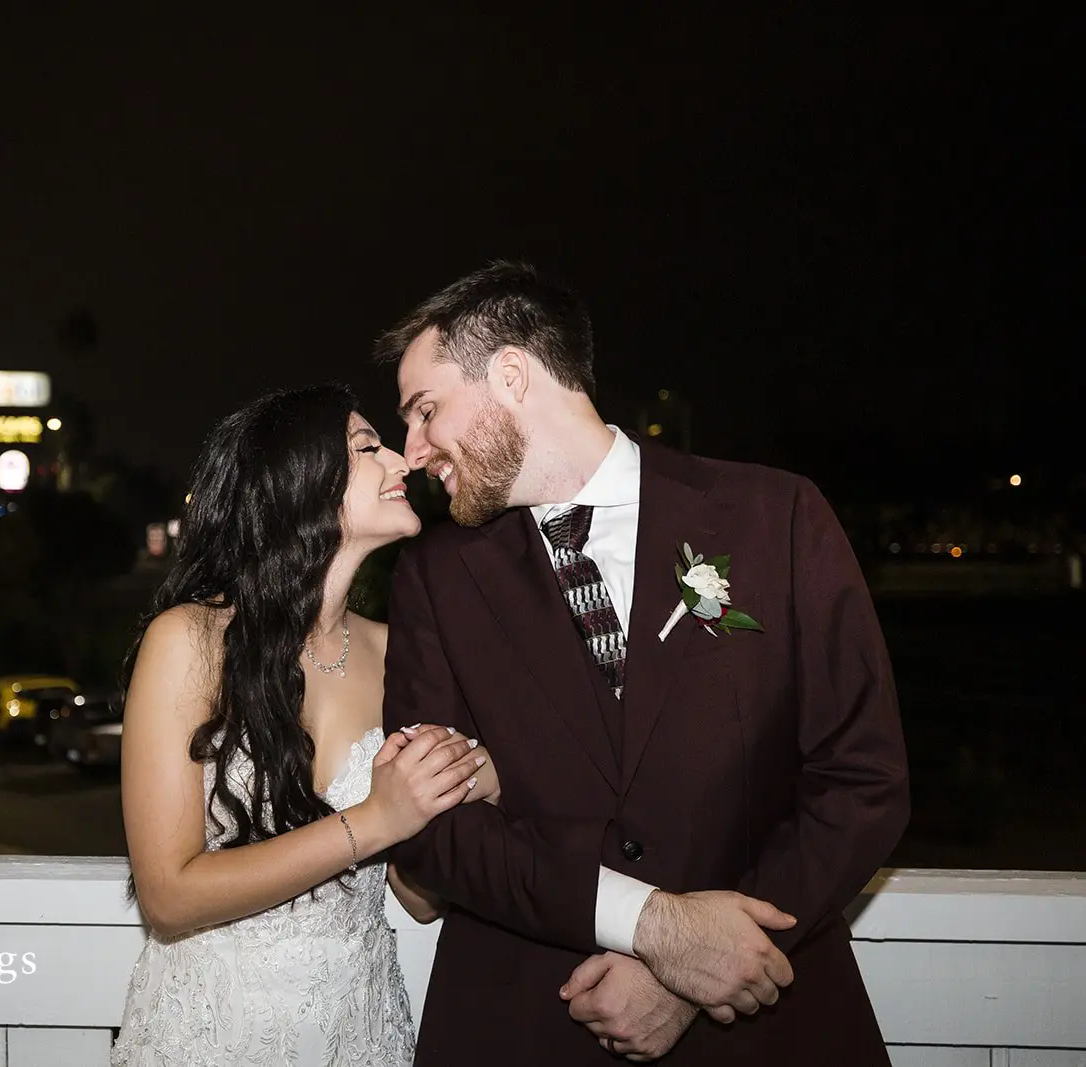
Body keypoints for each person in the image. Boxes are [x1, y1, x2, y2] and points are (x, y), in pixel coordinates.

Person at [375, 262, 911, 1065]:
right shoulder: (436, 578)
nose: (411, 451)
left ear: (512, 374)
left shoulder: (776, 515)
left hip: (763, 1024)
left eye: (425, 410)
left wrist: (704, 966)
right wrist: (651, 923)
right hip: (531, 1022)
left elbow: (862, 779)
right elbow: (435, 832)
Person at [111, 383, 499, 1066]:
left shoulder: (396, 650)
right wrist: (374, 820)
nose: (402, 462)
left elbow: (418, 897)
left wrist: (461, 790)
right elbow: (169, 895)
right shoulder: (191, 640)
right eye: (366, 447)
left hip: (357, 1030)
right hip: (211, 1036)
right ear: (298, 483)